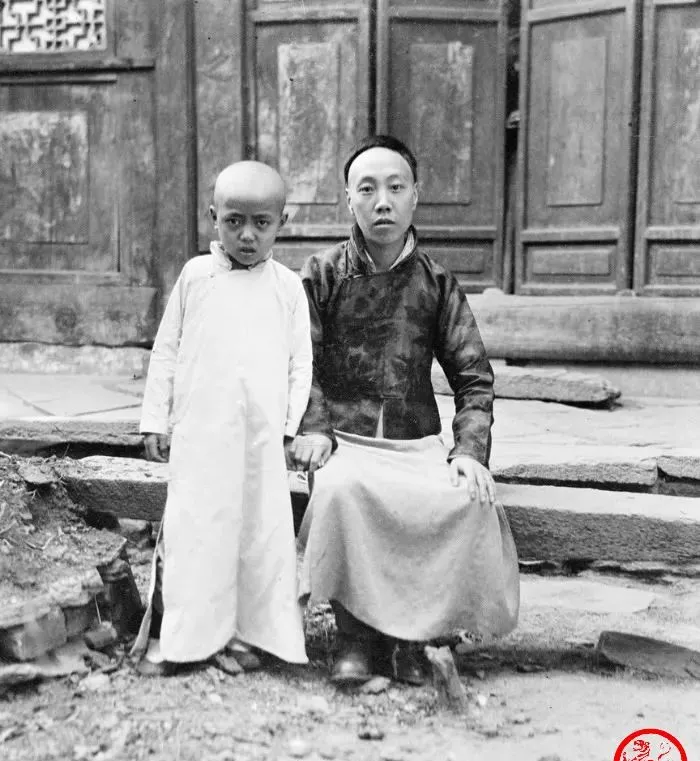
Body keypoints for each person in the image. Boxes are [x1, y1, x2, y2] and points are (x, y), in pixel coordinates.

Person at [290, 135, 520, 686]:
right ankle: (355, 638)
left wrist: (469, 451)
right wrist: (314, 427)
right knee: (342, 492)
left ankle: (417, 636)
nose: (382, 202)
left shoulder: (436, 282)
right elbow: (298, 362)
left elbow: (473, 375)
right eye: (367, 189)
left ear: (415, 196)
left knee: (463, 499)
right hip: (342, 438)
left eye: (396, 188)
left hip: (414, 442)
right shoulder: (321, 274)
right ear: (349, 199)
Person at [132, 161, 313, 675]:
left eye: (261, 222)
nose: (247, 235)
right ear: (214, 218)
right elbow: (167, 350)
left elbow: (301, 363)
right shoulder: (196, 277)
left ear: (282, 222)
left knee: (259, 534)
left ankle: (250, 634)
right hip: (201, 433)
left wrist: (289, 428)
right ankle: (185, 641)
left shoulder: (287, 287)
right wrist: (155, 419)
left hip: (261, 439)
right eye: (234, 221)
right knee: (196, 531)